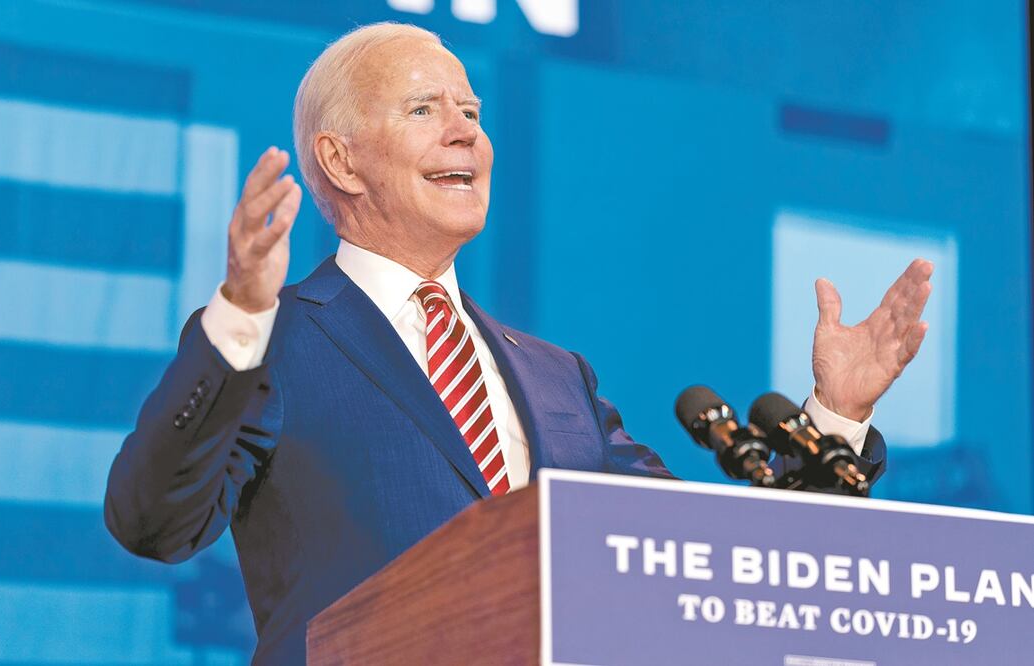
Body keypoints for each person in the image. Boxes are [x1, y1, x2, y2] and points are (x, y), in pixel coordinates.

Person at [104, 22, 933, 664]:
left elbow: (701, 570)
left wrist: (834, 419)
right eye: (424, 111)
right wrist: (240, 315)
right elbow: (154, 523)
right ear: (341, 160)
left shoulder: (556, 376)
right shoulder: (274, 339)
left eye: (471, 112)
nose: (465, 132)